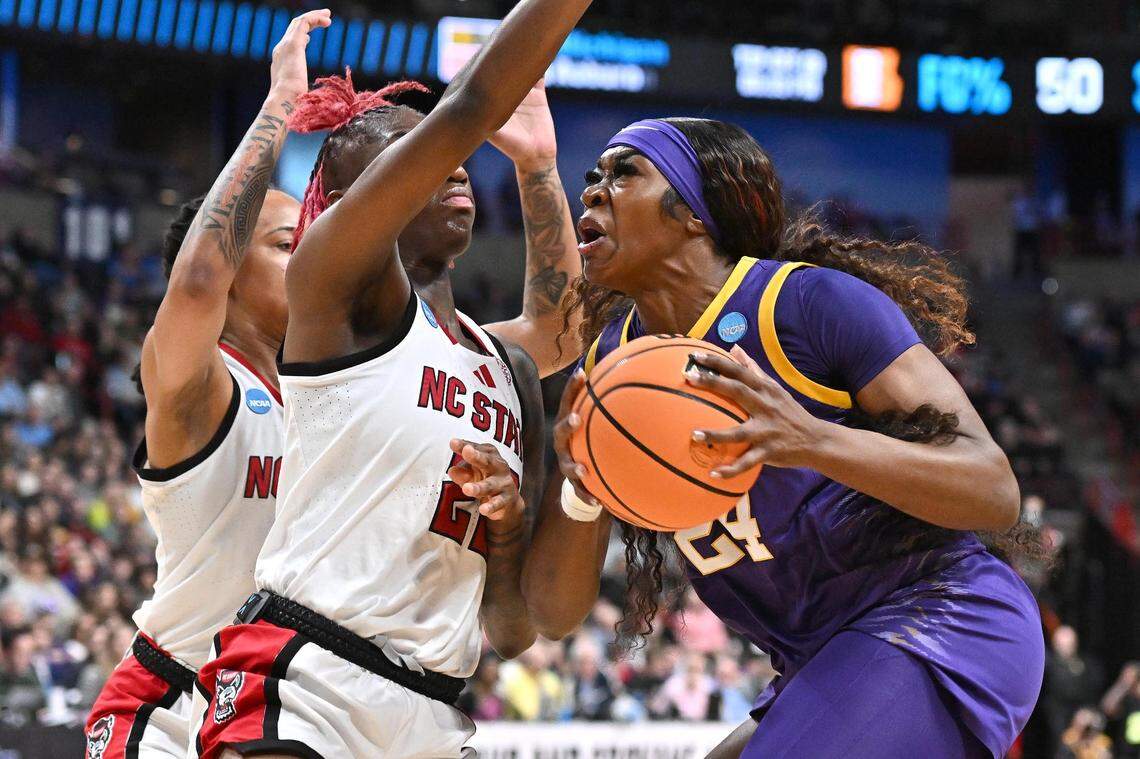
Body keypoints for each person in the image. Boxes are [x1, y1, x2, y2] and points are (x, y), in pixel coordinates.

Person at [525, 117, 1044, 758]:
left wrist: (809, 439)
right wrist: (581, 487)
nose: (593, 191)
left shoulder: (806, 306)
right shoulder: (610, 371)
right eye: (593, 176)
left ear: (693, 213)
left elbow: (993, 489)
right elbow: (551, 614)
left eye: (623, 172)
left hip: (939, 617)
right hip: (817, 662)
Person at [190, 0, 592, 755]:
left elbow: (512, 630)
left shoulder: (501, 366)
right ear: (350, 207)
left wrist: (538, 164)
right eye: (418, 156)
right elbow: (471, 105)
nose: (456, 163)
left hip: (433, 711)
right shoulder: (335, 294)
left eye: (448, 154)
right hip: (305, 680)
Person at [82, 11, 329, 758]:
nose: (312, 259)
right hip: (167, 713)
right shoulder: (199, 383)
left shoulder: (323, 397)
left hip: (275, 708)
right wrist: (281, 106)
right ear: (231, 277)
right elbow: (195, 279)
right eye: (290, 245)